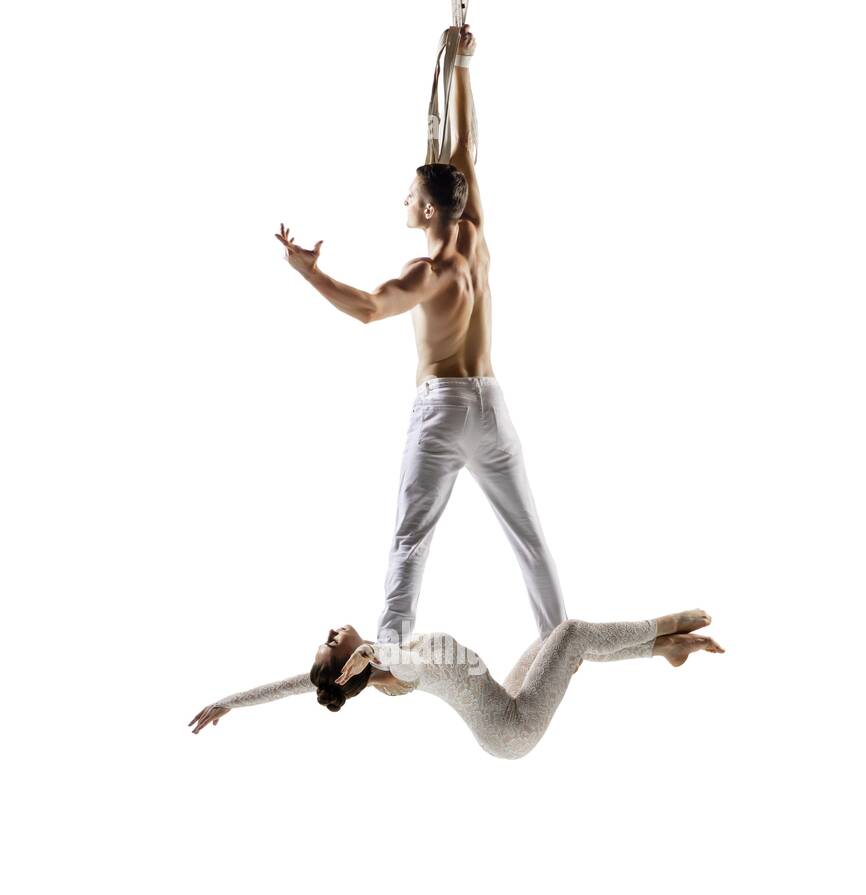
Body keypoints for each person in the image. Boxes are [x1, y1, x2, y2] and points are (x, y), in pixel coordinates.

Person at [275, 22, 568, 649]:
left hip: (441, 411)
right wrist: (460, 65)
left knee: (411, 539)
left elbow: (368, 308)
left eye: (409, 195)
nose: (404, 201)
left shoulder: (428, 271)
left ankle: (386, 655)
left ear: (428, 209)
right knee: (530, 538)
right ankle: (558, 643)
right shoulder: (476, 232)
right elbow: (464, 146)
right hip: (492, 406)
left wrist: (310, 271)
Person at [189, 612, 724, 762]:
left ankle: (667, 649)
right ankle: (664, 628)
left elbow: (287, 688)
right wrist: (368, 653)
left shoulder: (389, 656)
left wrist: (228, 701)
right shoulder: (399, 669)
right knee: (574, 633)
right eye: (330, 644)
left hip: (504, 699)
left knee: (560, 644)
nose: (329, 632)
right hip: (511, 730)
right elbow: (391, 657)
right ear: (350, 661)